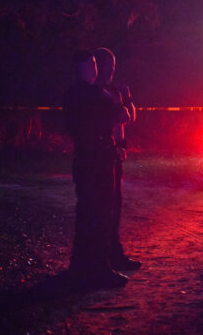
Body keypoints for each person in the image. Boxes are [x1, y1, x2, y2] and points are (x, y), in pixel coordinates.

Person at [62, 50, 131, 289]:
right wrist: (120, 105)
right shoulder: (92, 94)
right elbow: (121, 115)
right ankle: (99, 268)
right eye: (92, 64)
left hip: (87, 159)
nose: (96, 68)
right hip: (98, 159)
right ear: (84, 68)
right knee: (100, 213)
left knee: (88, 213)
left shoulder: (74, 94)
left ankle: (81, 265)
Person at [93, 47, 141, 271]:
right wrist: (122, 102)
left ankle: (114, 251)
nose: (111, 71)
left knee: (116, 204)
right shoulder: (97, 92)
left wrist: (127, 98)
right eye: (107, 66)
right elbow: (124, 115)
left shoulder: (113, 90)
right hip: (103, 154)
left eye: (113, 66)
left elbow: (130, 117)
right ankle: (106, 254)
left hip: (116, 152)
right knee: (106, 206)